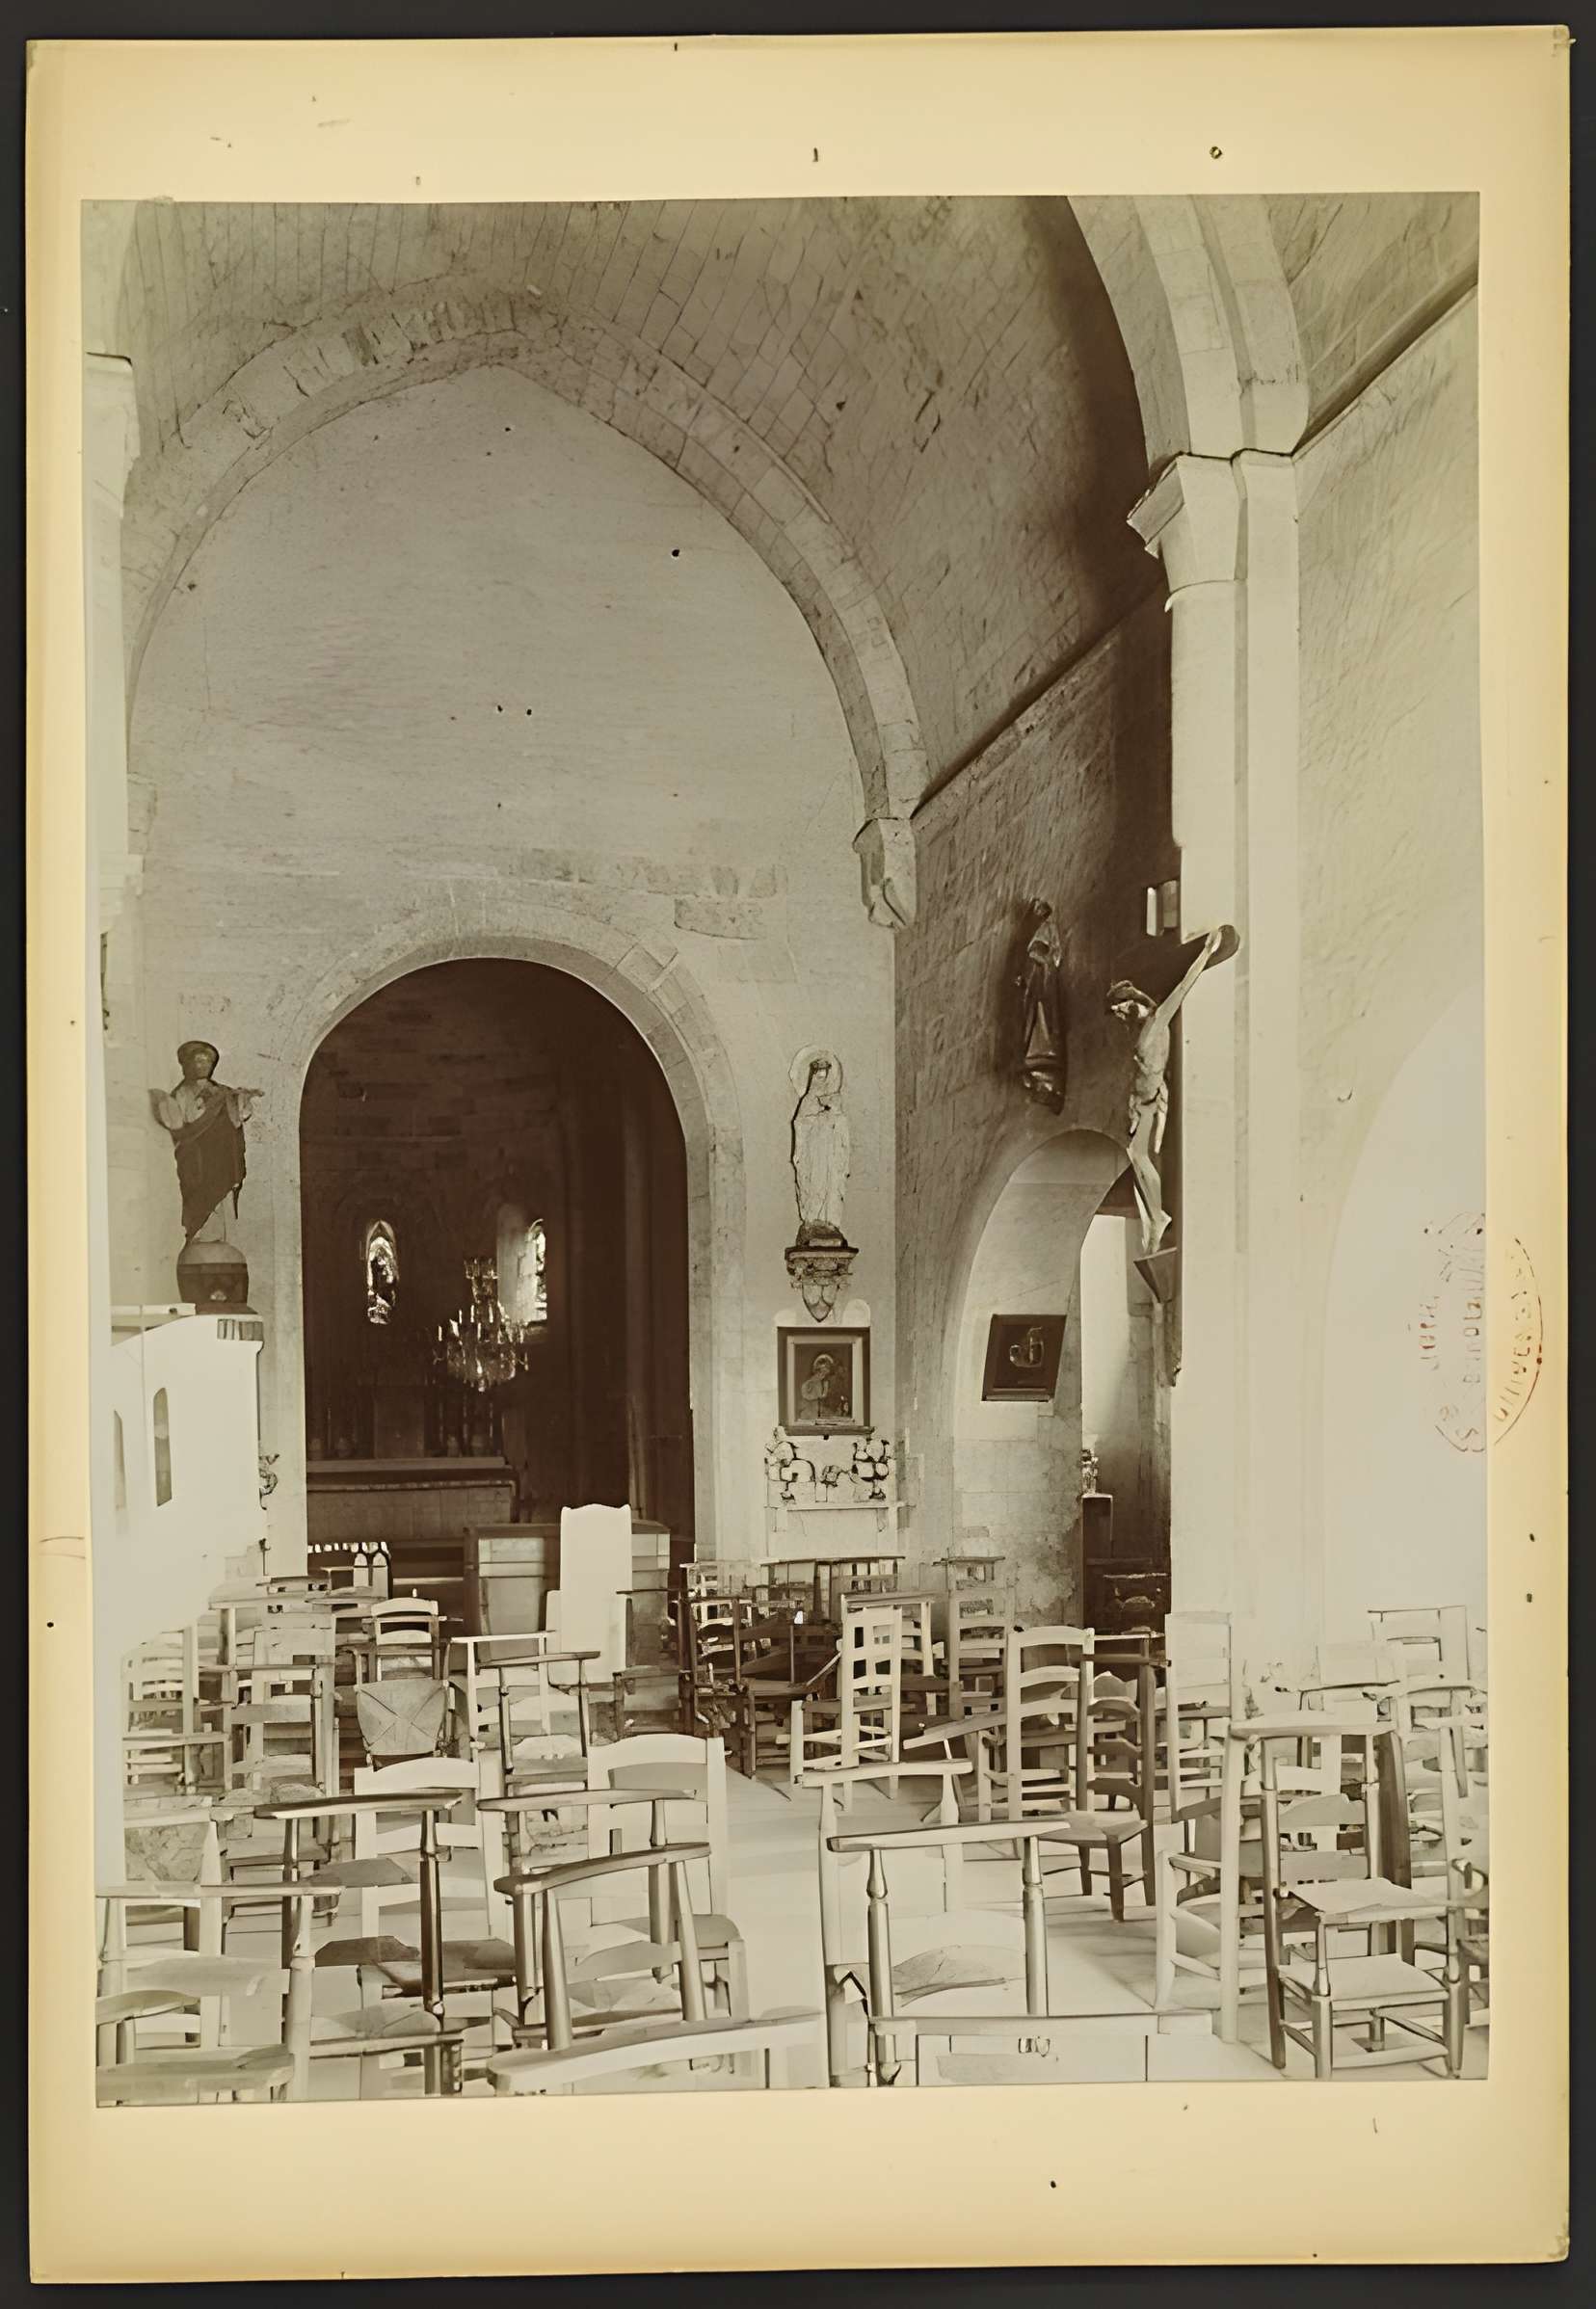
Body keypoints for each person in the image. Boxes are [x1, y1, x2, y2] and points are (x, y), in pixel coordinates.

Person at [1106, 927, 1228, 1256]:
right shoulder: (1144, 1025)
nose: (1118, 1016)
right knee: (1136, 1156)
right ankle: (1155, 1216)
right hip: (1142, 1098)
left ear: (1131, 1003)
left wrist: (1206, 953)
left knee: (1139, 1156)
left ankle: (1158, 1217)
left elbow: (1184, 986)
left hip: (1149, 1101)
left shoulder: (1158, 1020)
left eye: (1119, 1010)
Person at [151, 1041, 262, 1242]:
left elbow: (238, 1114)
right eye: (197, 1062)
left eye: (206, 1063)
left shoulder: (223, 1093)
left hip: (220, 1159)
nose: (202, 1066)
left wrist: (244, 1099)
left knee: (221, 1198)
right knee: (196, 1197)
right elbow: (177, 1122)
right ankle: (198, 1234)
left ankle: (218, 1236)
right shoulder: (182, 1093)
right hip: (194, 1158)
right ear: (188, 1065)